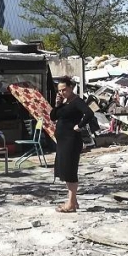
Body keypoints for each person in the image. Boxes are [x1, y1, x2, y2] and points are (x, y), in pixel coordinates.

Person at [50, 76, 94, 213]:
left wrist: (79, 126)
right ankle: (73, 201)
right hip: (62, 141)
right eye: (60, 91)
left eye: (64, 90)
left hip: (71, 140)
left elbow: (89, 113)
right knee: (63, 170)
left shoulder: (77, 101)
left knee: (70, 171)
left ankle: (71, 203)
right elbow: (53, 117)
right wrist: (58, 104)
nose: (62, 93)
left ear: (71, 88)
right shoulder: (65, 102)